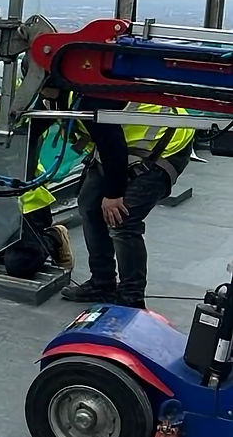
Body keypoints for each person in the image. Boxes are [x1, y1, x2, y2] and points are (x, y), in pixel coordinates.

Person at [61, 98, 195, 309]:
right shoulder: (58, 95)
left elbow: (113, 144)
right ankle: (102, 283)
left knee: (123, 219)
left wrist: (113, 194)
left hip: (165, 143)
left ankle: (131, 298)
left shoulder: (88, 96)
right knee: (89, 206)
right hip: (122, 142)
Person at [0, 62, 76, 278]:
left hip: (28, 200)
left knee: (20, 264)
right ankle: (7, 245)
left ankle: (53, 236)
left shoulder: (31, 121)